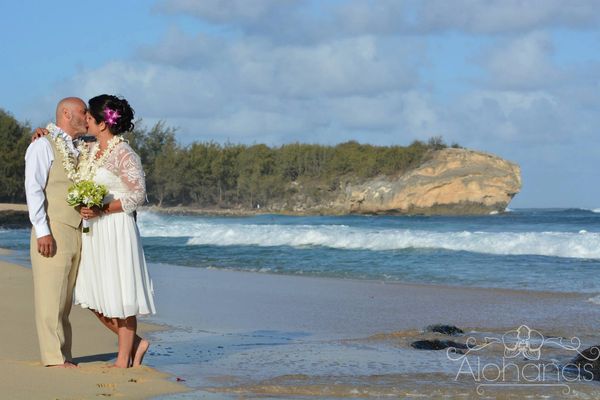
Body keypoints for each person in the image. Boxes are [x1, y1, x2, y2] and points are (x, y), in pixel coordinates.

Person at [74, 94, 156, 368]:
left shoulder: (124, 153)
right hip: (94, 231)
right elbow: (61, 146)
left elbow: (138, 195)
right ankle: (136, 344)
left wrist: (102, 210)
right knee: (94, 297)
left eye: (88, 117)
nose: (85, 120)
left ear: (103, 123)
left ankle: (123, 359)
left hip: (117, 228)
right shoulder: (88, 150)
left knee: (120, 295)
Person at [24, 97, 88, 367]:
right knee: (50, 298)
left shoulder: (82, 147)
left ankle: (65, 354)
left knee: (64, 301)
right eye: (83, 112)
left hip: (77, 230)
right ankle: (53, 358)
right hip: (53, 228)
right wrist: (42, 231)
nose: (88, 117)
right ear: (66, 113)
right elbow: (34, 188)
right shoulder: (42, 144)